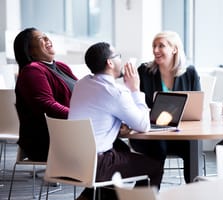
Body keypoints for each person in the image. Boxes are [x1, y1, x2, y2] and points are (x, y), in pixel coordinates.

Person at [68, 42, 163, 200]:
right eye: (118, 56)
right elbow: (144, 125)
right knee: (154, 166)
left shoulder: (81, 84)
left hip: (70, 161)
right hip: (96, 165)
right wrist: (135, 90)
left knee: (121, 151)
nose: (121, 60)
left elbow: (99, 115)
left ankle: (88, 196)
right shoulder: (116, 92)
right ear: (110, 62)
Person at [129, 31, 201, 183]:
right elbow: (135, 104)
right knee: (157, 147)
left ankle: (194, 192)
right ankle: (147, 195)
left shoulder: (190, 73)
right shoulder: (144, 71)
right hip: (150, 134)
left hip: (180, 134)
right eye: (154, 46)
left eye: (161, 46)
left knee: (192, 147)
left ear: (174, 49)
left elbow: (197, 107)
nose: (155, 50)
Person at [14, 27, 78, 161]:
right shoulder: (32, 71)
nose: (47, 39)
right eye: (40, 39)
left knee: (116, 147)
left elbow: (84, 93)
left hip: (72, 132)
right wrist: (82, 116)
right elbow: (48, 105)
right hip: (49, 141)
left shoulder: (61, 66)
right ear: (30, 50)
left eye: (46, 36)